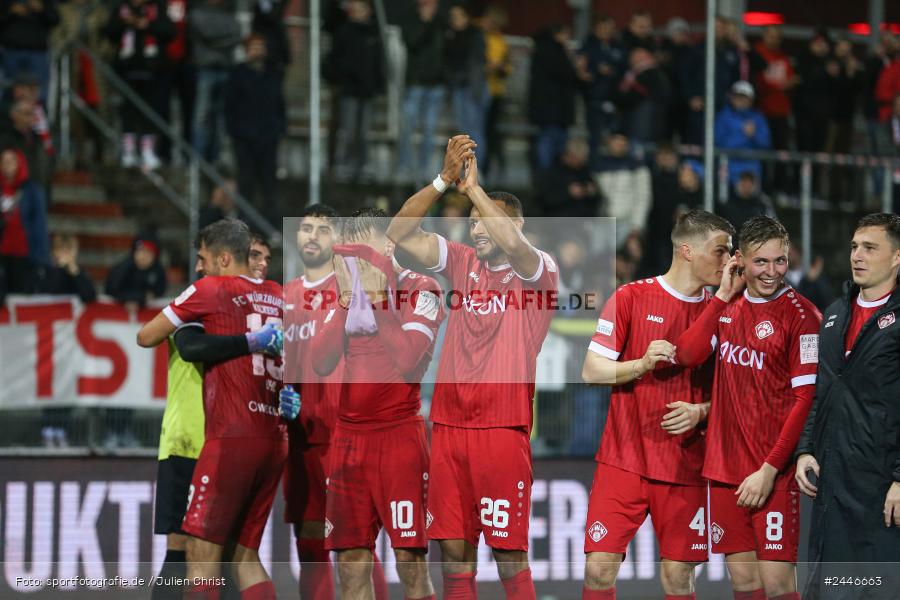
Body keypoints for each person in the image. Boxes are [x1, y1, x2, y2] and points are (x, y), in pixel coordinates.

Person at [387, 135, 559, 599]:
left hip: (501, 430)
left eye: (484, 221)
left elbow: (516, 248)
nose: (477, 229)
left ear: (515, 224)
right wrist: (445, 180)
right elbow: (398, 234)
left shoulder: (540, 270)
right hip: (447, 428)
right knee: (454, 556)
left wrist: (477, 193)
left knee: (508, 558)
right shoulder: (462, 263)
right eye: (471, 222)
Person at [580, 209, 735, 600]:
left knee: (678, 579)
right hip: (624, 458)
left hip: (685, 464)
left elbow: (740, 393)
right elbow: (592, 370)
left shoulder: (726, 312)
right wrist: (642, 364)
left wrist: (701, 412)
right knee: (598, 571)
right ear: (687, 250)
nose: (729, 260)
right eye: (720, 251)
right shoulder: (630, 297)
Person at [672, 216, 822, 600]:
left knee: (776, 585)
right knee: (744, 583)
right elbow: (687, 354)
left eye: (780, 261)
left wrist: (769, 471)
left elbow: (805, 400)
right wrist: (721, 296)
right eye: (761, 262)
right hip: (724, 469)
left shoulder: (803, 317)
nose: (772, 272)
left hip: (771, 471)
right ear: (740, 259)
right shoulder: (727, 304)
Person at [136, 218, 286, 600]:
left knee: (196, 551)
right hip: (270, 435)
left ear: (222, 258)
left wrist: (247, 340)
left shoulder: (209, 291)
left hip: (224, 438)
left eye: (202, 258)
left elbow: (146, 335)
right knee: (243, 555)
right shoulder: (279, 296)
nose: (198, 265)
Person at [308, 208, 443, 600]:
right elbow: (320, 360)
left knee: (410, 562)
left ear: (388, 245)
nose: (356, 262)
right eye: (350, 253)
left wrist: (380, 299)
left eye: (364, 251)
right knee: (350, 565)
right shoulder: (348, 293)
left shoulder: (424, 290)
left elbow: (407, 359)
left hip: (399, 440)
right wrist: (351, 300)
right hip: (349, 444)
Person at [795, 213, 900, 600]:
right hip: (834, 483)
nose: (857, 255)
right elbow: (820, 389)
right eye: (855, 246)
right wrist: (806, 447)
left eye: (870, 248)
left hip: (883, 489)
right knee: (831, 590)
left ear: (897, 258)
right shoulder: (835, 313)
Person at [104, 0, 174, 170]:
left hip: (152, 69)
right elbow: (109, 32)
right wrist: (126, 23)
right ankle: (128, 151)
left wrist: (147, 24)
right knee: (128, 110)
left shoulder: (158, 7)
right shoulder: (121, 8)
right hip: (126, 69)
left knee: (149, 110)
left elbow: (170, 32)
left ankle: (147, 150)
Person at [225, 33, 286, 220]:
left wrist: (280, 128)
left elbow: (279, 103)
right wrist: (235, 131)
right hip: (244, 137)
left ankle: (272, 224)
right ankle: (244, 222)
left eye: (261, 46)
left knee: (269, 183)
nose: (257, 51)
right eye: (253, 47)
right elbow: (229, 105)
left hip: (268, 136)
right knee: (246, 182)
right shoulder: (238, 74)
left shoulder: (274, 74)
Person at [328, 0, 384, 182]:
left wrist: (378, 84)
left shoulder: (374, 33)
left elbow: (378, 62)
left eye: (362, 9)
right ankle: (344, 165)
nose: (358, 13)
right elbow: (335, 59)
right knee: (349, 130)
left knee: (364, 132)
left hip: (367, 91)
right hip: (350, 90)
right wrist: (347, 75)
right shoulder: (344, 32)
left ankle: (363, 166)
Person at [395, 0, 445, 184]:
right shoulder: (410, 21)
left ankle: (424, 169)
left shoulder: (441, 23)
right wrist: (425, 24)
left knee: (430, 129)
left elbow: (445, 51)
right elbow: (412, 43)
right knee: (408, 126)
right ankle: (404, 166)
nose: (431, 8)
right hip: (416, 83)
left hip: (436, 85)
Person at [189, 0, 241, 164]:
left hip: (225, 69)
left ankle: (215, 158)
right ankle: (197, 158)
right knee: (202, 116)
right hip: (205, 69)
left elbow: (236, 35)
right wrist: (222, 40)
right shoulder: (197, 14)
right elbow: (206, 34)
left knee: (220, 118)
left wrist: (214, 41)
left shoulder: (229, 15)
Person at [444, 3, 487, 170]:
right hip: (457, 86)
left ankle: (477, 168)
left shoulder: (475, 34)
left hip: (472, 87)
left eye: (459, 16)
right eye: (453, 17)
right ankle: (467, 167)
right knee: (463, 130)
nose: (456, 20)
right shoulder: (450, 34)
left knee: (475, 130)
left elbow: (478, 61)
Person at [579, 14, 625, 169]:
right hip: (595, 101)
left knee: (616, 138)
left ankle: (614, 170)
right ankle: (595, 171)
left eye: (610, 29)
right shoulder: (588, 47)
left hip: (615, 101)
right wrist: (597, 70)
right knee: (596, 139)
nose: (607, 32)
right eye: (604, 28)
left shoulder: (617, 46)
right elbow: (582, 72)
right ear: (596, 29)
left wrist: (612, 72)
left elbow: (623, 69)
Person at [0, 147, 49, 293]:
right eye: (3, 160)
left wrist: (42, 258)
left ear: (20, 163)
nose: (6, 164)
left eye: (11, 160)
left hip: (24, 255)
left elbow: (39, 225)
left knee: (19, 296)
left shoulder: (32, 190)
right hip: (2, 253)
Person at [0, 0, 59, 104]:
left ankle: (39, 119)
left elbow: (55, 20)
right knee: (10, 91)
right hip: (11, 52)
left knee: (39, 92)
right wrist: (11, 12)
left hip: (37, 53)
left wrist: (41, 9)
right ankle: (7, 118)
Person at [714, 81, 771, 186]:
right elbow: (717, 142)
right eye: (737, 96)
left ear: (751, 100)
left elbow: (766, 144)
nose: (740, 101)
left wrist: (754, 135)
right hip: (728, 166)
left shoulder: (758, 118)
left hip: (752, 167)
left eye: (744, 97)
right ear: (731, 97)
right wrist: (743, 134)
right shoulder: (723, 116)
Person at [482, 6, 511, 180]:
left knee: (492, 133)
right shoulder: (479, 36)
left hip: (496, 90)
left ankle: (489, 169)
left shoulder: (500, 40)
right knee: (479, 133)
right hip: (481, 90)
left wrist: (501, 67)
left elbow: (507, 65)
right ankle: (481, 168)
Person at [105, 231, 167, 310]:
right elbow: (111, 290)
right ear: (134, 252)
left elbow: (159, 291)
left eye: (148, 252)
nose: (143, 256)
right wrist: (139, 297)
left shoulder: (158, 270)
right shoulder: (122, 268)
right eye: (140, 251)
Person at [27, 233, 96, 301]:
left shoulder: (78, 273)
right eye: (61, 249)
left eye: (68, 250)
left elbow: (90, 297)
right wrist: (59, 268)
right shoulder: (42, 271)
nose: (65, 254)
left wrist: (74, 271)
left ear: (75, 252)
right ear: (54, 251)